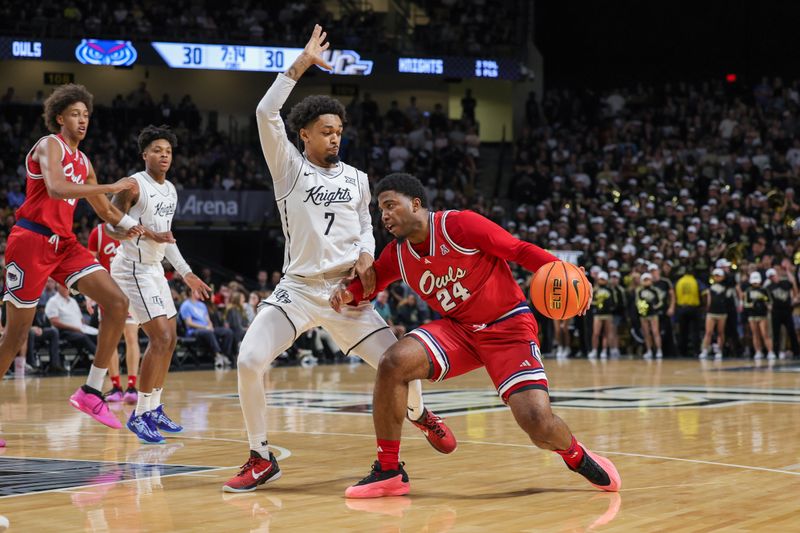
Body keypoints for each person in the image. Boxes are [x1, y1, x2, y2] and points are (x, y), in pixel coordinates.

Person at [223, 26, 455, 493]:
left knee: (399, 362)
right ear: (304, 134)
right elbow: (266, 111)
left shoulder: (358, 178)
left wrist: (368, 253)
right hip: (299, 289)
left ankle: (418, 413)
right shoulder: (288, 167)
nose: (334, 139)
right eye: (326, 132)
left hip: (348, 295)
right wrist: (303, 63)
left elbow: (365, 226)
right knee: (249, 360)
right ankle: (260, 456)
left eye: (339, 132)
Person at [329, 173, 619, 498]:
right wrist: (347, 294)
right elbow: (371, 284)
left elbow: (517, 249)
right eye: (380, 209)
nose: (384, 215)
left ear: (415, 203)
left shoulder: (459, 226)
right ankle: (389, 470)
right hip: (460, 331)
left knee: (537, 422)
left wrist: (566, 270)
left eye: (390, 205)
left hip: (507, 326)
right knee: (394, 361)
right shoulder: (397, 254)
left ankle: (577, 456)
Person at [0, 84, 143, 433]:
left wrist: (131, 222)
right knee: (16, 335)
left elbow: (105, 213)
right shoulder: (50, 145)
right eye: (76, 114)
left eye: (87, 115)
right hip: (31, 239)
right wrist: (110, 186)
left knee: (117, 302)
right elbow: (57, 188)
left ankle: (92, 391)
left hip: (63, 244)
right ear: (60, 117)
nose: (83, 120)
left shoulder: (85, 162)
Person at [104, 125, 211, 444]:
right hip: (131, 269)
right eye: (157, 150)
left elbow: (168, 238)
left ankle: (152, 408)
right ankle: (139, 416)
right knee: (160, 336)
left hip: (153, 269)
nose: (164, 155)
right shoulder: (133, 186)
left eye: (168, 151)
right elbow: (110, 227)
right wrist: (136, 231)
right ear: (144, 154)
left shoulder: (172, 190)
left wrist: (187, 273)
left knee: (171, 338)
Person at [87, 222, 141, 403]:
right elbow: (89, 265)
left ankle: (132, 386)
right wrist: (89, 294)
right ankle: (116, 386)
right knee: (110, 340)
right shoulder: (98, 232)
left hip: (129, 290)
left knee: (131, 337)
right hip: (108, 292)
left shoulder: (131, 228)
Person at [179, 287, 233, 369]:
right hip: (194, 331)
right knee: (208, 332)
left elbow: (208, 319)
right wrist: (205, 327)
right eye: (197, 291)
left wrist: (210, 326)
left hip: (207, 329)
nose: (200, 293)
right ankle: (217, 355)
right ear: (191, 292)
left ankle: (224, 355)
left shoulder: (202, 305)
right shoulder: (186, 305)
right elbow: (189, 323)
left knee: (228, 332)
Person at [701, 268, 735, 360]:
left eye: (719, 275)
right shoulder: (710, 286)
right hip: (711, 312)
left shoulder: (727, 286)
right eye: (715, 275)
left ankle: (719, 350)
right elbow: (708, 299)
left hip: (722, 312)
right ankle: (705, 350)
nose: (717, 277)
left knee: (720, 332)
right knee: (708, 332)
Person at [766, 266, 800, 359]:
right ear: (769, 278)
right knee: (776, 333)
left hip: (787, 311)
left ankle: (796, 351)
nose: (773, 277)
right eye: (771, 276)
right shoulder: (769, 287)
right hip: (776, 312)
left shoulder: (785, 283)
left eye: (774, 275)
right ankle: (776, 352)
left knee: (791, 332)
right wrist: (768, 305)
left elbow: (793, 283)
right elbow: (766, 299)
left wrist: (787, 271)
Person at [744, 271, 773, 360]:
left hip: (762, 315)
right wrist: (751, 305)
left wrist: (768, 305)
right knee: (755, 334)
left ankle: (770, 351)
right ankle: (758, 351)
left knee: (765, 334)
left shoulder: (764, 290)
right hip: (752, 315)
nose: (755, 283)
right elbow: (746, 303)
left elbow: (770, 302)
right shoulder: (748, 290)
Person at [635, 273, 663, 359]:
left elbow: (660, 301)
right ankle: (649, 350)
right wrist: (641, 308)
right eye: (645, 280)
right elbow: (637, 301)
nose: (647, 281)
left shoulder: (655, 290)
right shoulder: (639, 290)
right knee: (646, 333)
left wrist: (655, 307)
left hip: (653, 314)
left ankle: (659, 350)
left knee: (655, 332)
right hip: (644, 314)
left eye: (648, 279)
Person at [588, 271, 613, 359]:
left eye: (603, 279)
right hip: (597, 314)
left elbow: (614, 302)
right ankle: (594, 350)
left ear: (606, 280)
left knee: (606, 333)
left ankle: (604, 351)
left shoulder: (610, 290)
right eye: (600, 279)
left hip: (607, 314)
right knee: (596, 333)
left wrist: (609, 306)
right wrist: (597, 303)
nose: (601, 280)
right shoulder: (594, 290)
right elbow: (590, 301)